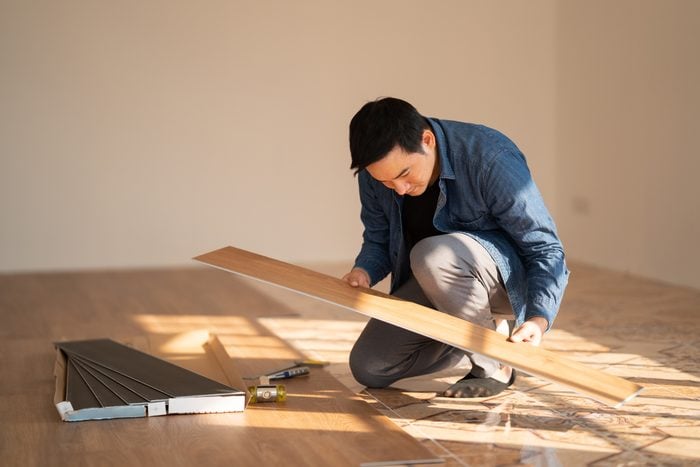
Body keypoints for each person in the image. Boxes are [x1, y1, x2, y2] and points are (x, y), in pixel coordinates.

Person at [342, 97, 569, 398]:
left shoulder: (489, 158)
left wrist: (539, 319)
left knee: (431, 256)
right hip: (438, 279)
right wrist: (364, 271)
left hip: (502, 282)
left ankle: (494, 366)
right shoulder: (376, 176)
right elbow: (378, 239)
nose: (398, 189)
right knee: (371, 366)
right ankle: (473, 335)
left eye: (404, 174)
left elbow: (545, 248)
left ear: (427, 140)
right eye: (385, 181)